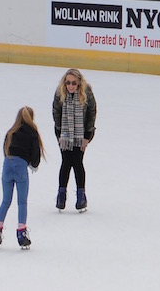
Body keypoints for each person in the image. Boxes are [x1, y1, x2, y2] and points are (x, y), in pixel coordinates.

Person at [0, 106, 45, 248]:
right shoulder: (32, 133)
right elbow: (35, 155)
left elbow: (5, 149)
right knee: (22, 202)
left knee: (5, 201)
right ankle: (21, 232)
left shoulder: (11, 131)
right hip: (21, 168)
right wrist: (34, 164)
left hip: (7, 166)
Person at [52, 68, 97, 212]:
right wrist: (60, 134)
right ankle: (61, 195)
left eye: (74, 83)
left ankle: (80, 196)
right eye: (68, 83)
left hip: (81, 134)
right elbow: (56, 112)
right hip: (64, 134)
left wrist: (86, 137)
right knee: (66, 162)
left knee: (77, 162)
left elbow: (92, 113)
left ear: (79, 83)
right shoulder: (60, 92)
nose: (70, 86)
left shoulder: (87, 92)